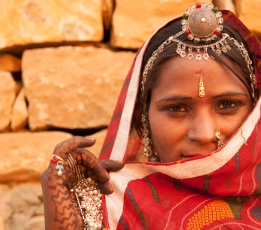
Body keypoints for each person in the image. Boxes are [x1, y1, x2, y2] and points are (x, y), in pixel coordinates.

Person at [41, 3, 261, 229]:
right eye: (177, 108)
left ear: (255, 113)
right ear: (143, 120)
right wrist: (61, 204)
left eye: (227, 105)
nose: (204, 134)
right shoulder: (107, 212)